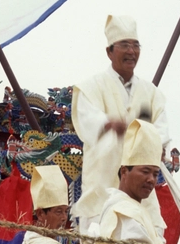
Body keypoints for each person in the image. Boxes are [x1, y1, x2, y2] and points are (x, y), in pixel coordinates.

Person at [71, 15, 171, 230]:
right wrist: (108, 124)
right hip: (101, 194)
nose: (131, 51)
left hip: (142, 199)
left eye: (136, 46)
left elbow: (161, 130)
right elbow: (88, 122)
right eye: (124, 45)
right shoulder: (91, 87)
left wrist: (153, 142)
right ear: (109, 51)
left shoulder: (150, 93)